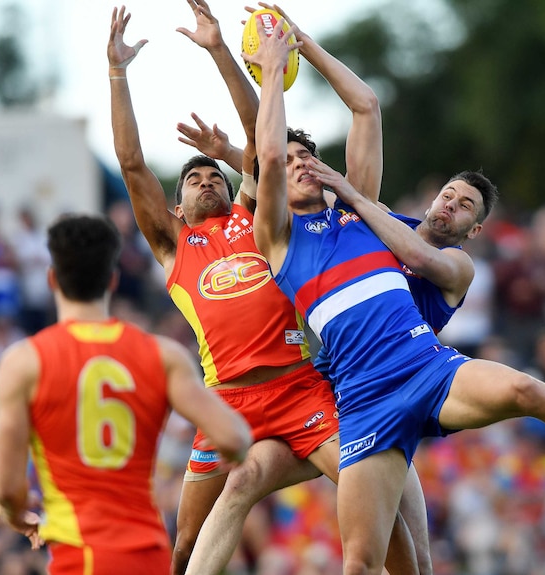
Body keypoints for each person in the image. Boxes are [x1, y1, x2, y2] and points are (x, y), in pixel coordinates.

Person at [247, 18, 545, 574]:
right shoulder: (283, 237)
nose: (298, 166)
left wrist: (297, 54)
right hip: (362, 396)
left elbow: (366, 108)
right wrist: (276, 63)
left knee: (525, 388)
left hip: (424, 366)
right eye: (448, 197)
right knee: (367, 562)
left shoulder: (379, 221)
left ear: (477, 229)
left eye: (465, 206)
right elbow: (268, 157)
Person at [108, 4, 421, 573]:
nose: (207, 182)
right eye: (193, 181)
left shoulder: (259, 224)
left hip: (300, 388)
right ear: (176, 207)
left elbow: (258, 138)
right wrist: (117, 73)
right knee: (183, 543)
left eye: (215, 177)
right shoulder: (174, 246)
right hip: (225, 402)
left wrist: (221, 50)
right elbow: (131, 163)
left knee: (378, 501)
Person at [0, 213, 251, 575]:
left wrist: (18, 509)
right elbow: (235, 437)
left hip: (81, 555)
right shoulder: (162, 355)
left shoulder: (23, 362)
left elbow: (7, 489)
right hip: (150, 554)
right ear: (112, 282)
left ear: (53, 280)